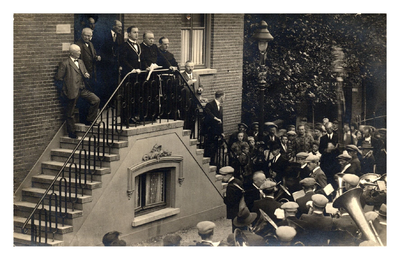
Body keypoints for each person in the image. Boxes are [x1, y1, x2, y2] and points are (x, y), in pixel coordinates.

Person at [55, 44, 100, 138]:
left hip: (82, 89)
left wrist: (86, 74)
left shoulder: (80, 62)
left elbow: (84, 72)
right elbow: (59, 79)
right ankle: (72, 132)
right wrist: (64, 91)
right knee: (70, 112)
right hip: (71, 90)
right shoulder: (65, 63)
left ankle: (90, 120)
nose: (80, 52)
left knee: (96, 100)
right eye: (78, 51)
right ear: (72, 53)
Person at [98, 20, 124, 107]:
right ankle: (104, 104)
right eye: (119, 26)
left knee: (114, 83)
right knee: (105, 83)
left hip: (115, 65)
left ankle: (112, 103)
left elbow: (121, 52)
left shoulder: (120, 37)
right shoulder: (104, 35)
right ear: (113, 26)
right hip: (105, 65)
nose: (120, 28)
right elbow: (100, 49)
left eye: (121, 27)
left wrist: (120, 64)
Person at [220, 166, 244, 232]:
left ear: (230, 175)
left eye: (224, 175)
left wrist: (225, 197)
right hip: (241, 209)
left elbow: (230, 202)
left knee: (235, 228)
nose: (222, 177)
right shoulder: (237, 181)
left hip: (234, 211)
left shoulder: (231, 186)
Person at [204, 90, 225, 165]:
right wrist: (215, 118)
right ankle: (208, 164)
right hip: (210, 131)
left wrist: (222, 132)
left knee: (215, 151)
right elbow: (207, 112)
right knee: (209, 149)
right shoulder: (210, 104)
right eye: (224, 96)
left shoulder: (220, 107)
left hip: (217, 133)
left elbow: (221, 121)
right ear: (221, 97)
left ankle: (213, 164)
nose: (224, 98)